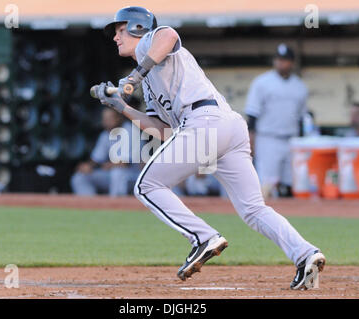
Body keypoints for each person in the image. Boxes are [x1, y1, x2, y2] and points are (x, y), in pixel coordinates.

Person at [94, 6, 325, 290]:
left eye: (120, 30)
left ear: (138, 27)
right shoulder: (150, 76)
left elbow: (168, 34)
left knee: (146, 185)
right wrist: (123, 108)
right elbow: (163, 131)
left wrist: (132, 79)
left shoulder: (148, 46)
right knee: (253, 209)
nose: (115, 37)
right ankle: (305, 254)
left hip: (205, 122)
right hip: (225, 127)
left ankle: (202, 237)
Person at [244, 44, 308, 198]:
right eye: (278, 59)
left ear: (292, 62)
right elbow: (252, 114)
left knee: (290, 182)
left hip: (291, 139)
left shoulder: (300, 86)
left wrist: (301, 142)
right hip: (268, 138)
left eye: (285, 60)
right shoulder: (262, 82)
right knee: (266, 184)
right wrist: (250, 140)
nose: (281, 63)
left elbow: (301, 118)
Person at [71, 108, 140, 196]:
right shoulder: (105, 134)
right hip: (111, 173)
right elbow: (96, 159)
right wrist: (87, 166)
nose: (105, 122)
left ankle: (116, 207)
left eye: (109, 119)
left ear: (119, 118)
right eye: (104, 119)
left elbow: (125, 164)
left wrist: (107, 165)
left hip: (133, 175)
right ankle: (90, 207)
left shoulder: (130, 130)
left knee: (117, 173)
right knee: (79, 178)